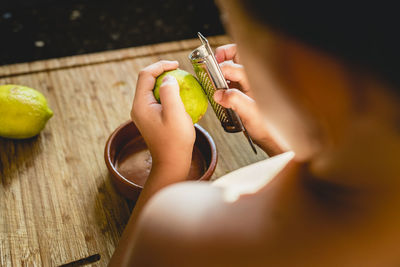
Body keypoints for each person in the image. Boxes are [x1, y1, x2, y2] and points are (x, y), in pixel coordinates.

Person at [109, 0, 400, 266]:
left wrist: (169, 165)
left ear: (299, 72)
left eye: (228, 23)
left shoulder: (180, 230)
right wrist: (283, 140)